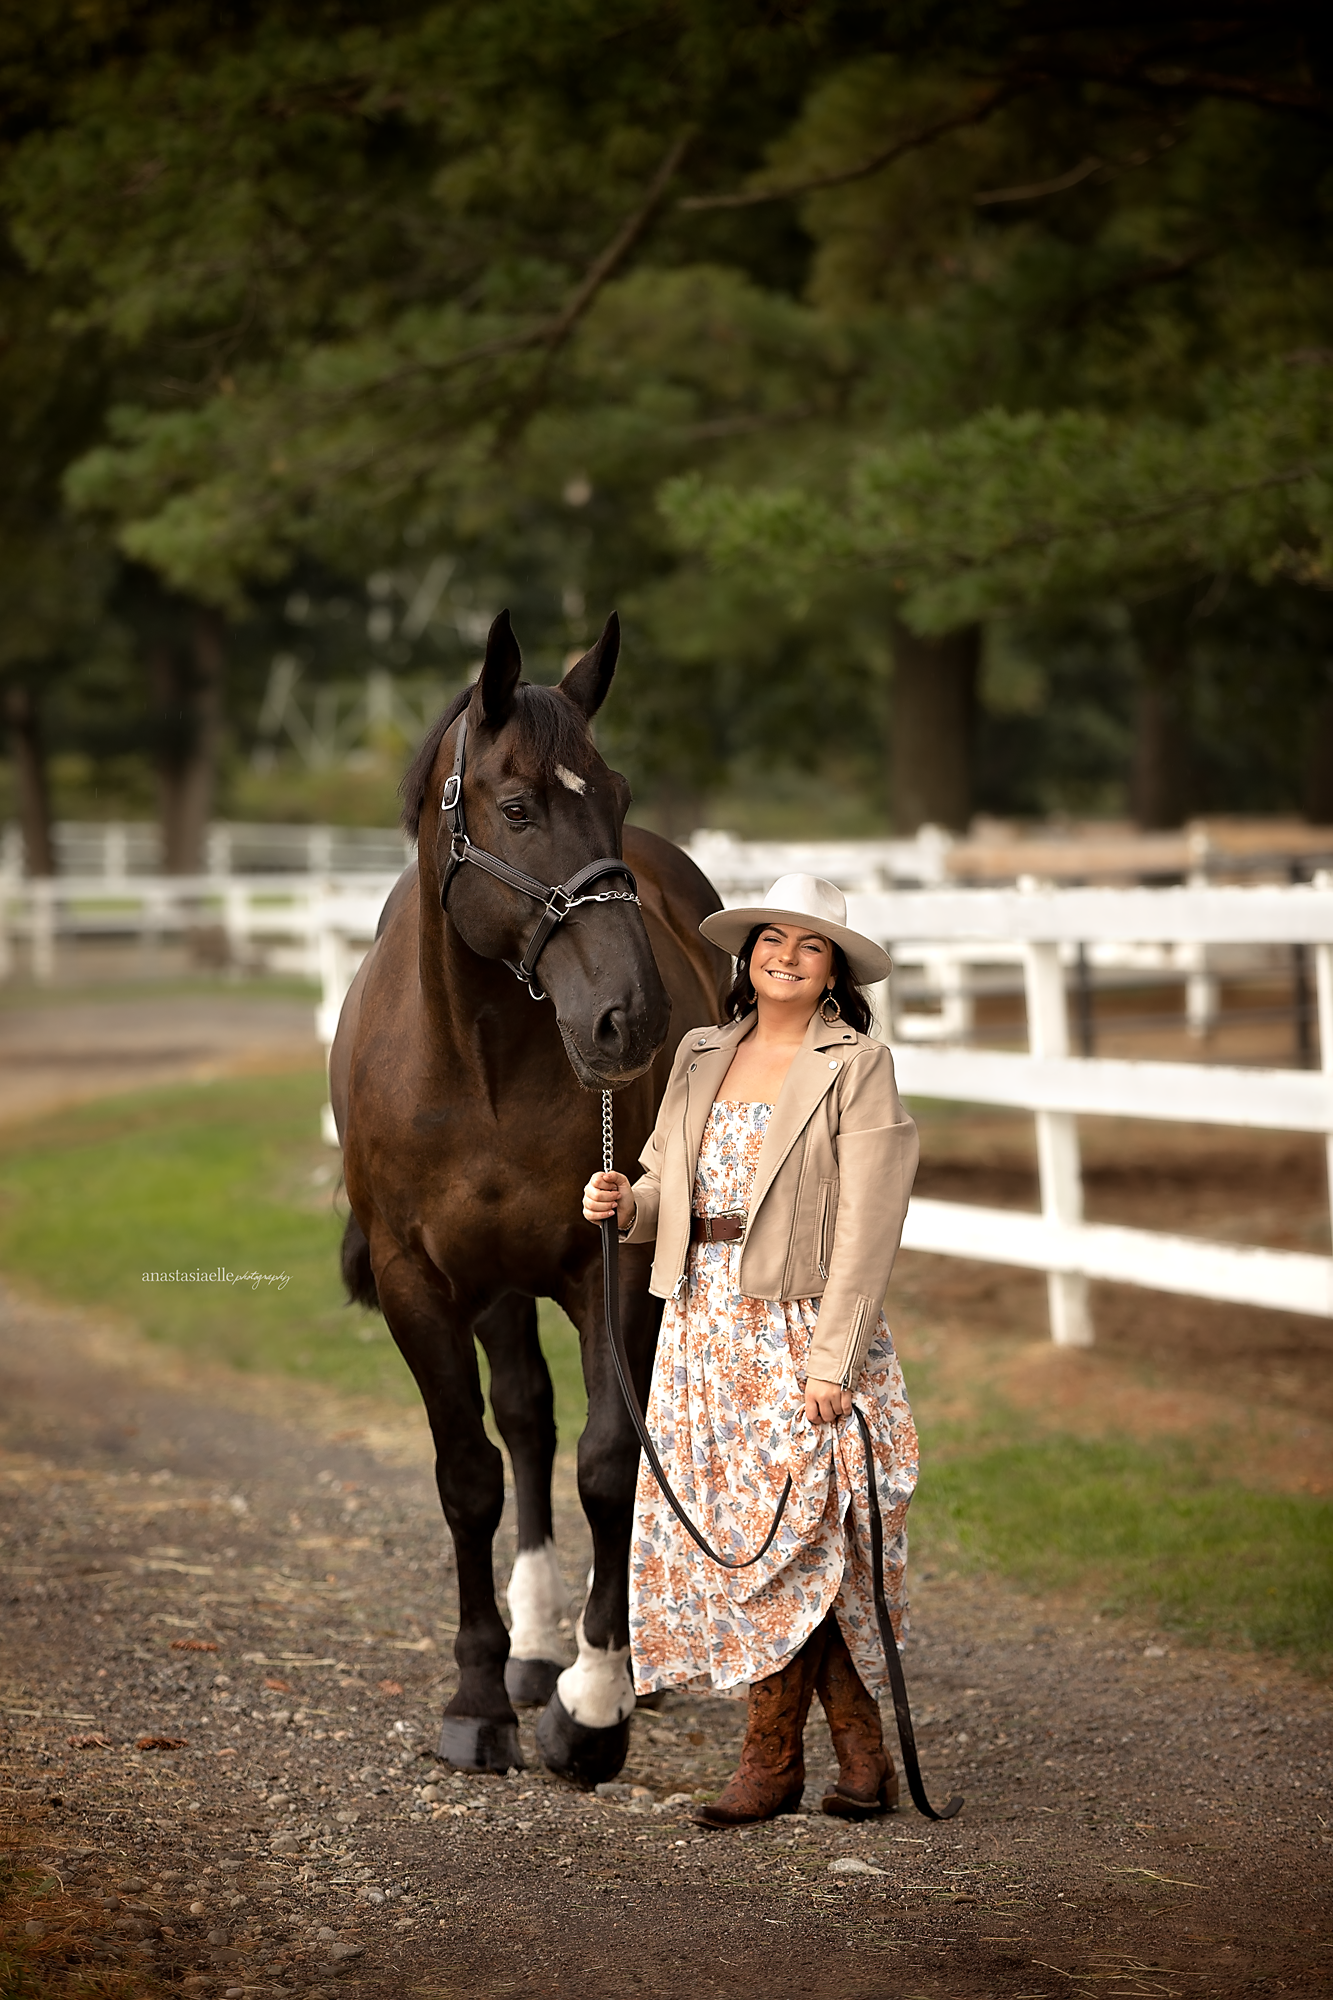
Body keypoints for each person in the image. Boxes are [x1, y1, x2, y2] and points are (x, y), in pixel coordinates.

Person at [582, 874, 919, 1828]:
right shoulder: (699, 1052)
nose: (785, 955)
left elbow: (870, 1221)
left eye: (810, 946)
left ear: (833, 972)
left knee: (800, 1537)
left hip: (797, 1322)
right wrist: (627, 1205)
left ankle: (768, 1763)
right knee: (748, 1542)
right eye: (771, 937)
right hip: (701, 1327)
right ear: (748, 955)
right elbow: (662, 1183)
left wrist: (832, 1358)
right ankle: (861, 1753)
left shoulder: (856, 1065)